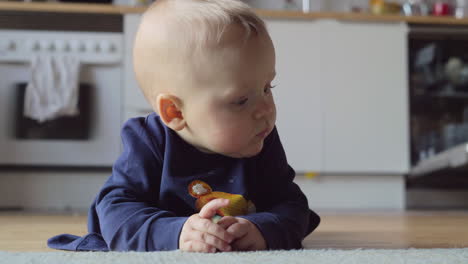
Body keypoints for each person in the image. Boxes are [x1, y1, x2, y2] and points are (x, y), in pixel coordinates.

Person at [48, 0, 320, 252]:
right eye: (240, 100)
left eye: (267, 87)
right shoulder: (149, 141)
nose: (265, 110)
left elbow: (292, 206)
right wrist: (175, 232)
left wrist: (262, 228)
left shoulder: (260, 137)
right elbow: (115, 212)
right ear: (175, 111)